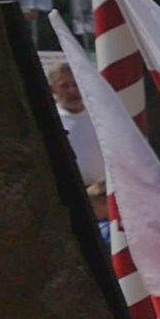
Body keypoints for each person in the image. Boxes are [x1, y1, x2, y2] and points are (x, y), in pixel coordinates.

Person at [47, 61, 106, 224]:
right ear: (52, 89)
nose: (73, 90)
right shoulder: (50, 121)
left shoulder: (100, 117)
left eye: (76, 84)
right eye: (64, 86)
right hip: (68, 200)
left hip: (103, 199)